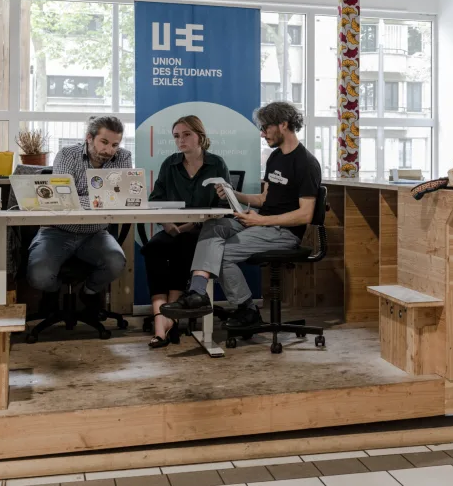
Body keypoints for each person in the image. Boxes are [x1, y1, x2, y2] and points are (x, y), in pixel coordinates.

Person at [160, 102, 322, 329]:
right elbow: (265, 199)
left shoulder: (306, 163)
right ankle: (197, 292)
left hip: (283, 232)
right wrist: (232, 193)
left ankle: (247, 309)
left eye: (266, 127)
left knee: (222, 254)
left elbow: (305, 215)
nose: (262, 133)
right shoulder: (275, 158)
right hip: (261, 223)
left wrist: (261, 220)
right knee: (214, 225)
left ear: (284, 125)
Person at [25, 116, 131, 315]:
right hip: (58, 230)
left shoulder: (123, 158)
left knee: (116, 262)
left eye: (115, 144)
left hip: (95, 232)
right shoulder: (67, 155)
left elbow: (119, 199)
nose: (109, 150)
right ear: (89, 138)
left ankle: (89, 292)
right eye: (104, 142)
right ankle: (52, 292)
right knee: (39, 275)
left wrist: (81, 198)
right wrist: (101, 199)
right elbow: (64, 202)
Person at [143, 116, 231, 348]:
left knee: (185, 245)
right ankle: (161, 316)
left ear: (200, 136)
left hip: (203, 232)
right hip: (173, 228)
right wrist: (167, 223)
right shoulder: (169, 164)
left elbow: (224, 207)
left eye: (186, 134)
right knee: (153, 248)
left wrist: (189, 226)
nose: (180, 140)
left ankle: (165, 322)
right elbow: (155, 200)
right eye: (176, 136)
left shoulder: (216, 164)